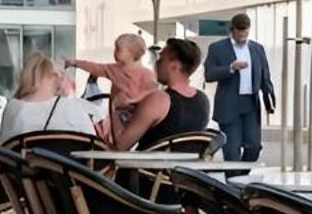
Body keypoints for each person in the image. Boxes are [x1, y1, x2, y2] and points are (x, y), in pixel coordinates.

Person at [114, 37, 212, 151]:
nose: (157, 63)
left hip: (146, 167)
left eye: (161, 59)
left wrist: (116, 109)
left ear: (175, 66)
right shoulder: (203, 100)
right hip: (183, 167)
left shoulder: (159, 99)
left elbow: (120, 145)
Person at [204, 12, 276, 162]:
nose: (242, 37)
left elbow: (265, 77)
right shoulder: (217, 48)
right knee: (231, 151)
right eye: (239, 34)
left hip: (250, 104)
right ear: (232, 30)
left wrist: (269, 102)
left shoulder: (257, 49)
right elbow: (209, 74)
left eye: (246, 33)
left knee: (254, 147)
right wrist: (230, 68)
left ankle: (240, 179)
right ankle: (233, 184)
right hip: (229, 104)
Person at [0, 53, 101, 144]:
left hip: (23, 165)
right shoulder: (72, 108)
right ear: (55, 78)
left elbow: (3, 147)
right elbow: (93, 143)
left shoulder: (12, 108)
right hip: (71, 164)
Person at [75, 32, 157, 140]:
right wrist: (76, 63)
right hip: (116, 113)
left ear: (132, 53)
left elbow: (153, 94)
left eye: (118, 49)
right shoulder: (114, 69)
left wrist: (132, 100)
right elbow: (96, 67)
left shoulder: (146, 74)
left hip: (137, 116)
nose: (114, 52)